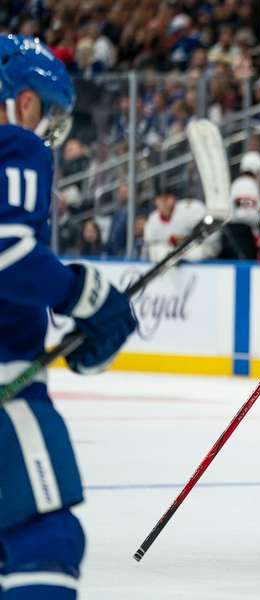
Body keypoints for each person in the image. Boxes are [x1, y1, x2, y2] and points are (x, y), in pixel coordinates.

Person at [0, 35, 137, 599]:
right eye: (49, 114)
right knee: (44, 541)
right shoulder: (15, 144)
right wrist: (88, 297)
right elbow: (7, 254)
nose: (49, 131)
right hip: (8, 386)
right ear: (25, 101)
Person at [220, 151, 260, 260]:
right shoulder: (252, 186)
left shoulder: (235, 184)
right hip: (245, 238)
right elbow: (251, 216)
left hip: (228, 235)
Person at [143, 191, 212, 262]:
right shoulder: (153, 218)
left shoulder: (189, 209)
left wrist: (184, 240)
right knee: (158, 251)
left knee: (196, 252)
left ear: (174, 198)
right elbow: (149, 244)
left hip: (195, 250)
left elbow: (209, 234)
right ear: (155, 201)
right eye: (161, 199)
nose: (164, 203)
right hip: (169, 257)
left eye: (167, 198)